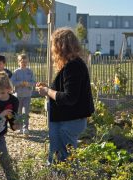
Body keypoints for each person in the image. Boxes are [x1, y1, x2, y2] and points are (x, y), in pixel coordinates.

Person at [36, 27, 94, 164]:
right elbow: (67, 89)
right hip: (66, 119)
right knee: (58, 159)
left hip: (69, 121)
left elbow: (69, 98)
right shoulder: (72, 64)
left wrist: (47, 91)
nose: (51, 49)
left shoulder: (73, 66)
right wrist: (49, 88)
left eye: (53, 45)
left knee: (65, 161)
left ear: (60, 46)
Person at [11, 53, 36, 135]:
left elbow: (34, 82)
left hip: (27, 95)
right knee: (18, 112)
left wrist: (28, 84)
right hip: (18, 95)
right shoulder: (16, 72)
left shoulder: (30, 71)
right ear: (19, 62)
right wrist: (20, 83)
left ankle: (26, 128)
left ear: (28, 62)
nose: (24, 63)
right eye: (22, 62)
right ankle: (20, 128)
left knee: (25, 112)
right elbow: (12, 82)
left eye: (25, 62)